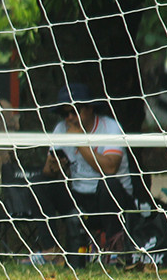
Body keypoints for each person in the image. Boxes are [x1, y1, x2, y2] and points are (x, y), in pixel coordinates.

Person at [27, 82, 136, 266]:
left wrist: (79, 141)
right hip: (79, 198)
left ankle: (115, 251)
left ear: (90, 108)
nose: (70, 118)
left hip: (112, 200)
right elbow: (47, 171)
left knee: (108, 184)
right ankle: (51, 252)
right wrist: (53, 167)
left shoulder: (110, 127)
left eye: (75, 111)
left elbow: (110, 168)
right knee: (38, 182)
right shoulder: (62, 129)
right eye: (65, 113)